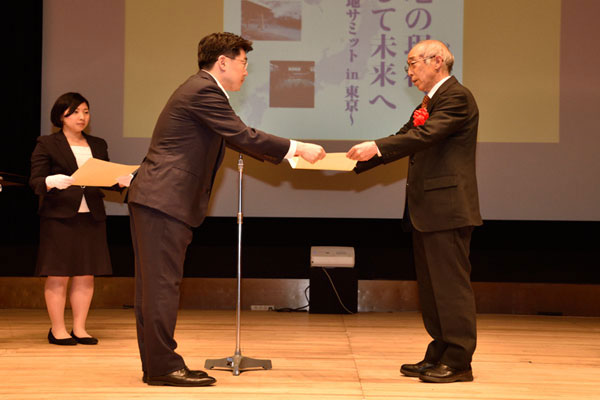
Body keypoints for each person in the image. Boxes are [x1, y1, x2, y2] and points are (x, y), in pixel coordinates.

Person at [127, 32, 325, 387]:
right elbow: (242, 135)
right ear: (223, 62)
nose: (247, 71)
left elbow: (238, 138)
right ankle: (161, 367)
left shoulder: (201, 89)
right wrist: (297, 147)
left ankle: (158, 364)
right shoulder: (203, 90)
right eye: (244, 62)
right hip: (164, 201)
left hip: (160, 201)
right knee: (160, 288)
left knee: (156, 287)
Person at [346, 40, 482, 383]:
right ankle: (439, 351)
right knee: (433, 289)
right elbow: (405, 136)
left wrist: (375, 147)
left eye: (412, 64)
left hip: (447, 208)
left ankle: (459, 361)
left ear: (436, 61)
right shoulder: (429, 102)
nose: (408, 73)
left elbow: (425, 136)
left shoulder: (456, 96)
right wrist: (353, 163)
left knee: (450, 287)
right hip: (428, 210)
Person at [30, 92, 131, 346]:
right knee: (58, 274)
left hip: (91, 216)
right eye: (75, 112)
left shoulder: (97, 144)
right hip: (59, 217)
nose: (81, 117)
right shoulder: (47, 143)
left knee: (86, 274)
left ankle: (80, 328)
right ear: (61, 116)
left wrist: (120, 181)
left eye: (85, 111)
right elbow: (35, 181)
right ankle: (57, 329)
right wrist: (50, 182)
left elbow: (104, 176)